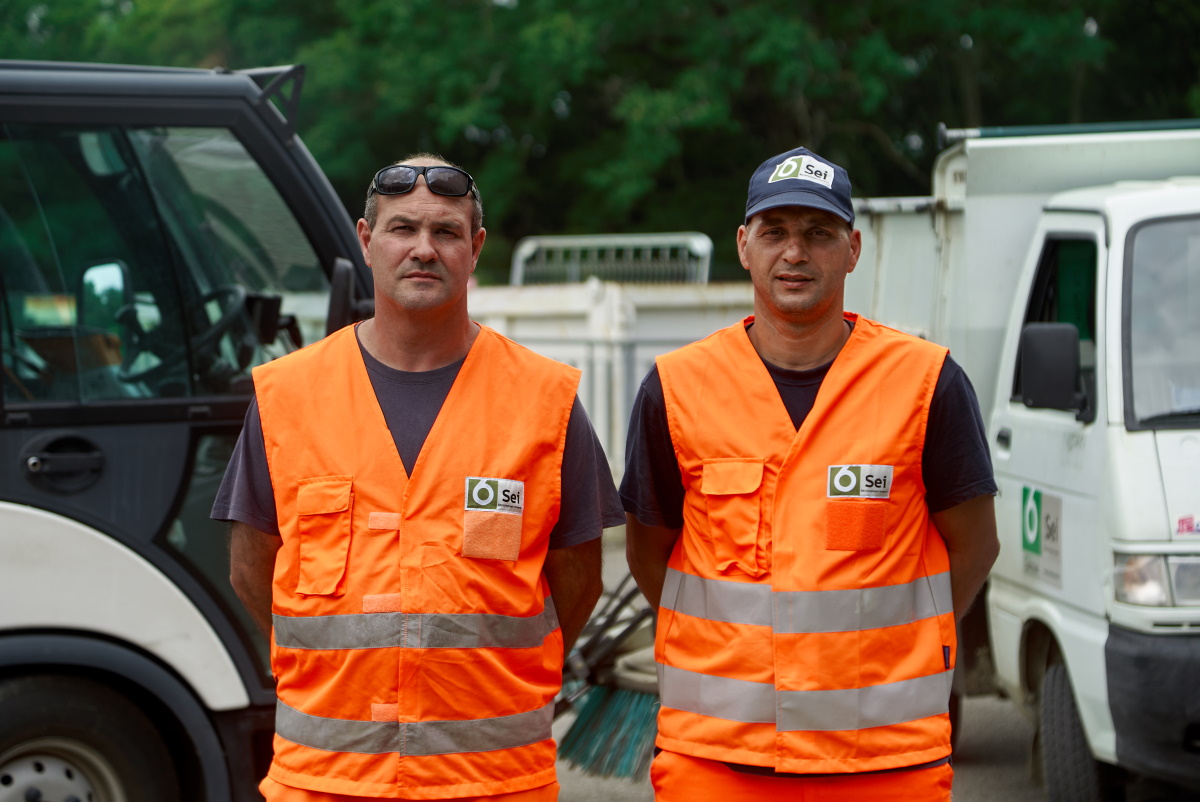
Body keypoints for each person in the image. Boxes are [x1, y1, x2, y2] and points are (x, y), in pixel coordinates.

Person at [213, 154, 623, 801]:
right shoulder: (288, 395)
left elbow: (578, 579)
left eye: (446, 232)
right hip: (324, 781)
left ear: (476, 247)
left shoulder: (545, 400)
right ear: (366, 240)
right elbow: (249, 569)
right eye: (403, 229)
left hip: (493, 782)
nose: (423, 250)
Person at [622, 146, 1000, 801]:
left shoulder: (926, 383)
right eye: (775, 232)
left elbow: (974, 545)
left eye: (818, 234)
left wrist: (902, 643)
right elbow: (649, 552)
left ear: (852, 249)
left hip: (885, 759)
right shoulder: (676, 388)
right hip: (716, 759)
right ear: (744, 245)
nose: (794, 253)